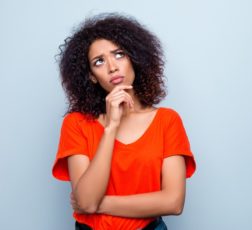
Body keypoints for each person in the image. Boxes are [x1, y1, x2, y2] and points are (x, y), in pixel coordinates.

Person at [52, 13, 196, 230]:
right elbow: (86, 200)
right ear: (91, 75)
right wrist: (111, 128)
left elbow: (173, 202)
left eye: (119, 55)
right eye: (99, 61)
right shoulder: (76, 124)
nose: (112, 67)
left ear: (134, 59)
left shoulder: (167, 120)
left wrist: (101, 204)